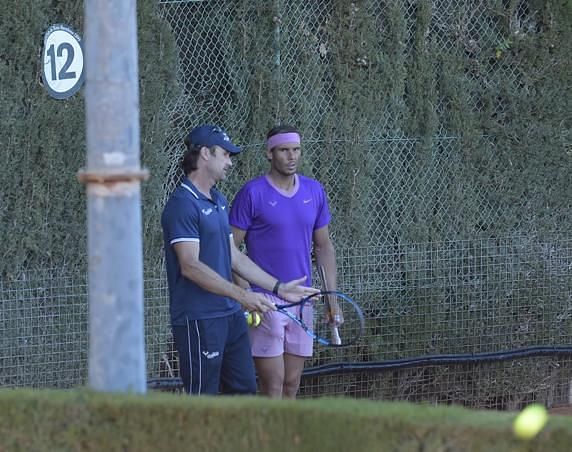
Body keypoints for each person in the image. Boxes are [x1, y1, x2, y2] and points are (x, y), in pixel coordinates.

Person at [161, 124, 318, 395]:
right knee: (204, 401)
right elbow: (190, 265)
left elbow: (233, 255)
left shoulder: (218, 201)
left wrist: (279, 288)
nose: (230, 162)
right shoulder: (182, 204)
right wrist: (242, 295)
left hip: (231, 316)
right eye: (226, 154)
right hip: (200, 319)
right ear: (205, 155)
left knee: (244, 394)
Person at [229, 125, 337, 399]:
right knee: (273, 384)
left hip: (304, 300)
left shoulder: (314, 191)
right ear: (269, 153)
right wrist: (248, 295)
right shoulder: (252, 193)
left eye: (296, 150)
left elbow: (323, 246)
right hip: (265, 301)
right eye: (284, 150)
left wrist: (331, 303)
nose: (292, 156)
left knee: (291, 383)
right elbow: (230, 249)